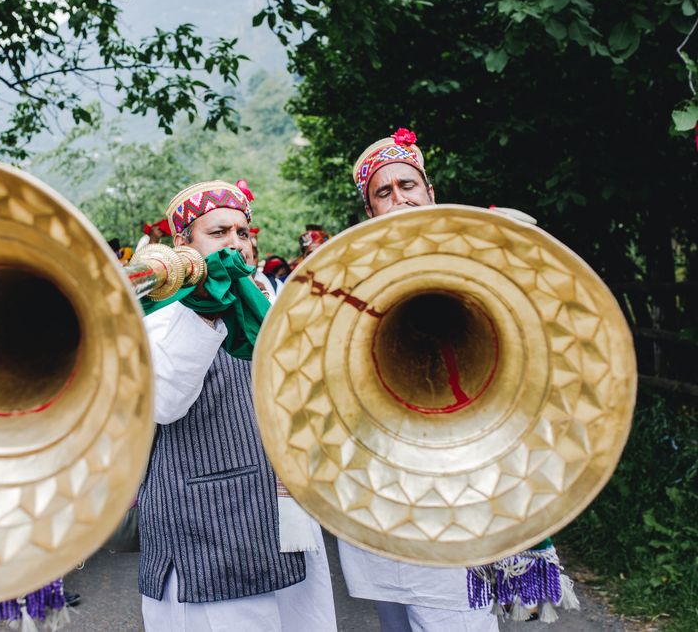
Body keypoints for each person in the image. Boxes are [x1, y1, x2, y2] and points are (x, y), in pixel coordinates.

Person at [137, 180, 337, 632]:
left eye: (242, 233)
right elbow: (164, 403)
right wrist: (205, 310)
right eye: (218, 233)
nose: (235, 245)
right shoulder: (156, 315)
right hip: (204, 533)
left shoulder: (273, 303)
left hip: (283, 521)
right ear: (182, 245)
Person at [337, 128, 499, 632]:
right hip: (386, 475)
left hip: (464, 462)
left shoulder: (483, 252)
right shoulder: (347, 274)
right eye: (383, 193)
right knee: (401, 614)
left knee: (459, 614)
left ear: (430, 192)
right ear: (370, 213)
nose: (399, 198)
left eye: (407, 185)